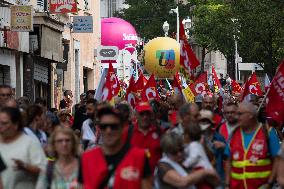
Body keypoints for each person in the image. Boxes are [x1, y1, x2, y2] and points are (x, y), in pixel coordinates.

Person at [81, 106, 152, 189]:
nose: (108, 131)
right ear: (99, 129)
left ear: (122, 128)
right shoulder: (86, 158)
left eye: (113, 126)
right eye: (104, 126)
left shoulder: (140, 157)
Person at [224, 102, 280, 189]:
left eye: (240, 114)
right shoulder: (234, 133)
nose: (236, 117)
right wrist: (227, 184)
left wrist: (269, 183)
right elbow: (228, 160)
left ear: (250, 115)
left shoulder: (268, 132)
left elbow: (277, 160)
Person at [0, 107, 46, 189]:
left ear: (15, 124)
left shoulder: (30, 143)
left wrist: (25, 166)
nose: (0, 126)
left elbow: (43, 171)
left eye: (4, 123)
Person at [154, 132, 220, 189]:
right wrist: (204, 172)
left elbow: (216, 181)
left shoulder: (186, 159)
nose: (179, 154)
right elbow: (182, 182)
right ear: (166, 152)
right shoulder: (163, 165)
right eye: (174, 152)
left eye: (181, 149)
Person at [131, 102, 162, 173]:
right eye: (142, 114)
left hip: (155, 177)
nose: (145, 117)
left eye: (147, 113)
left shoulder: (159, 131)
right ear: (136, 115)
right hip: (134, 176)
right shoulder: (128, 132)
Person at [183, 123, 214, 189]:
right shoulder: (195, 145)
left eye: (184, 134)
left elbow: (194, 157)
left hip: (204, 175)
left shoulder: (194, 145)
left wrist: (184, 164)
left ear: (187, 135)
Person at [199, 110, 226, 180]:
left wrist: (224, 147)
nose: (203, 123)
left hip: (217, 175)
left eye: (206, 121)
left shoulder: (219, 138)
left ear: (211, 123)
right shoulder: (195, 137)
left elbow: (227, 157)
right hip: (201, 177)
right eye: (201, 121)